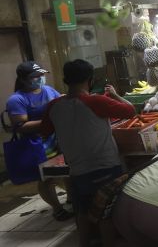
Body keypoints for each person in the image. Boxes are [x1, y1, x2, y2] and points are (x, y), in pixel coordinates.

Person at [41, 59, 136, 247]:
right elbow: (131, 111)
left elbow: (45, 130)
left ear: (66, 79)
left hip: (76, 171)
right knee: (105, 214)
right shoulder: (95, 101)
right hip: (105, 168)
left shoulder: (54, 106)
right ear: (89, 79)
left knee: (82, 212)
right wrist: (115, 95)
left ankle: (84, 244)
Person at [5, 61, 73, 221]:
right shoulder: (17, 100)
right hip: (39, 146)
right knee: (47, 179)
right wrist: (48, 122)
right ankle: (57, 209)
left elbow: (59, 105)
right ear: (23, 79)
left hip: (57, 140)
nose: (41, 78)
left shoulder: (49, 90)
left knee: (68, 171)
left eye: (42, 74)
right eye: (35, 76)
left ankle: (72, 199)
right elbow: (21, 126)